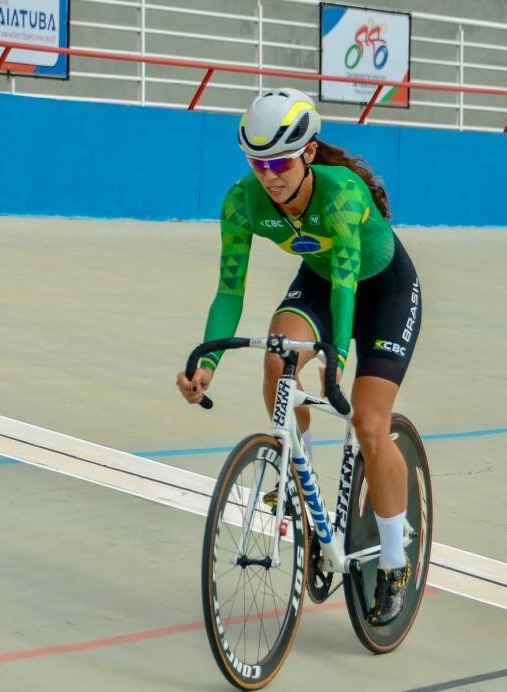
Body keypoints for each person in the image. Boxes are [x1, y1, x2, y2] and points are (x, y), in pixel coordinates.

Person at [176, 88, 422, 626]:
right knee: (276, 356)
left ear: (308, 153)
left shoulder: (342, 195)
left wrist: (337, 358)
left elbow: (347, 284)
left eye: (280, 163)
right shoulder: (241, 203)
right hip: (319, 282)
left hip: (382, 292)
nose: (269, 176)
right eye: (258, 164)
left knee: (369, 423)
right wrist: (207, 364)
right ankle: (299, 480)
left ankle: (395, 560)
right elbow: (229, 291)